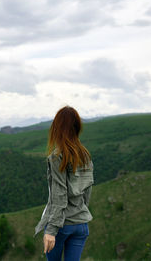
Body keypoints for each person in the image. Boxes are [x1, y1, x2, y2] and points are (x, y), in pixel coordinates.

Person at [34, 106, 94, 261]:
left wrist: (51, 231)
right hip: (81, 224)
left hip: (61, 226)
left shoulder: (56, 157)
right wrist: (80, 210)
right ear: (77, 127)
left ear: (57, 128)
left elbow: (59, 195)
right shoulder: (85, 155)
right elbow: (87, 190)